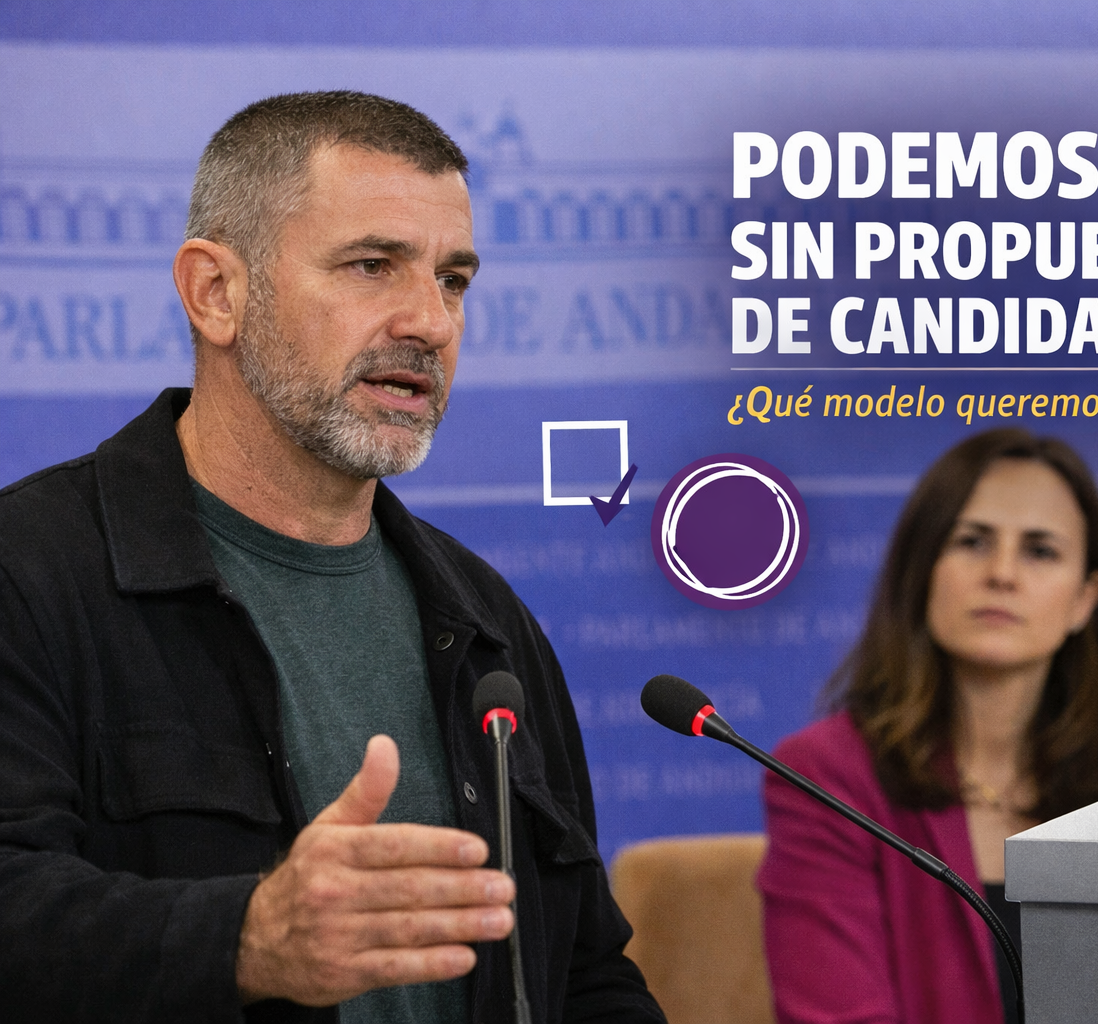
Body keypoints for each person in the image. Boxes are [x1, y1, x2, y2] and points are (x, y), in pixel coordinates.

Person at [0, 92, 664, 1024]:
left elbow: (584, 973)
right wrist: (245, 939)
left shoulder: (485, 620)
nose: (431, 322)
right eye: (372, 266)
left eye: (453, 280)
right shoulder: (29, 574)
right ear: (216, 293)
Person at [757, 427, 1098, 1024]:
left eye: (1040, 551)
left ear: (1086, 599)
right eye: (972, 541)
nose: (1002, 573)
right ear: (922, 569)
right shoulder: (828, 775)